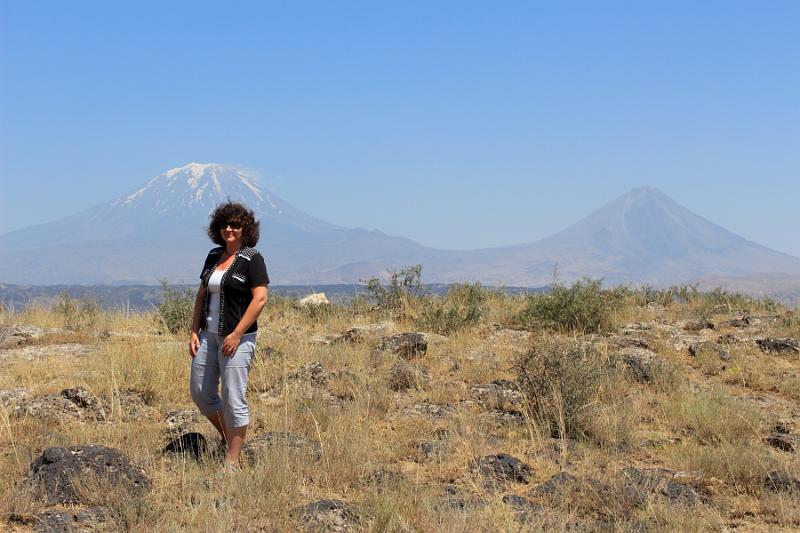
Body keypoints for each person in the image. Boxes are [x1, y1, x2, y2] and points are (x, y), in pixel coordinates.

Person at [188, 201, 269, 467]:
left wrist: (236, 334)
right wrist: (193, 330)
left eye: (235, 224)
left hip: (237, 339)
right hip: (207, 336)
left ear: (246, 228)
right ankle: (229, 436)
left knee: (234, 397)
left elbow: (260, 299)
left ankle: (232, 461)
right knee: (201, 392)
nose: (229, 229)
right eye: (224, 224)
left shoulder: (252, 259)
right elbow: (202, 294)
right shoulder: (213, 255)